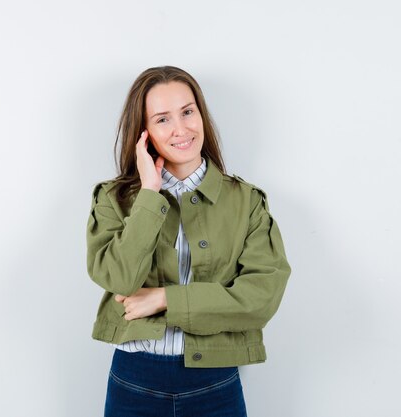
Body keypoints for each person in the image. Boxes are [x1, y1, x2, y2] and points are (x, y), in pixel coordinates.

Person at [86, 65, 291, 417]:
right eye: (162, 119)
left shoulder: (246, 201)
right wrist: (149, 193)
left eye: (187, 111)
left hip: (215, 383)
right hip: (133, 382)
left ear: (201, 115)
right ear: (144, 132)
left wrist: (165, 299)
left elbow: (261, 299)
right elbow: (119, 279)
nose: (181, 129)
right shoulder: (113, 198)